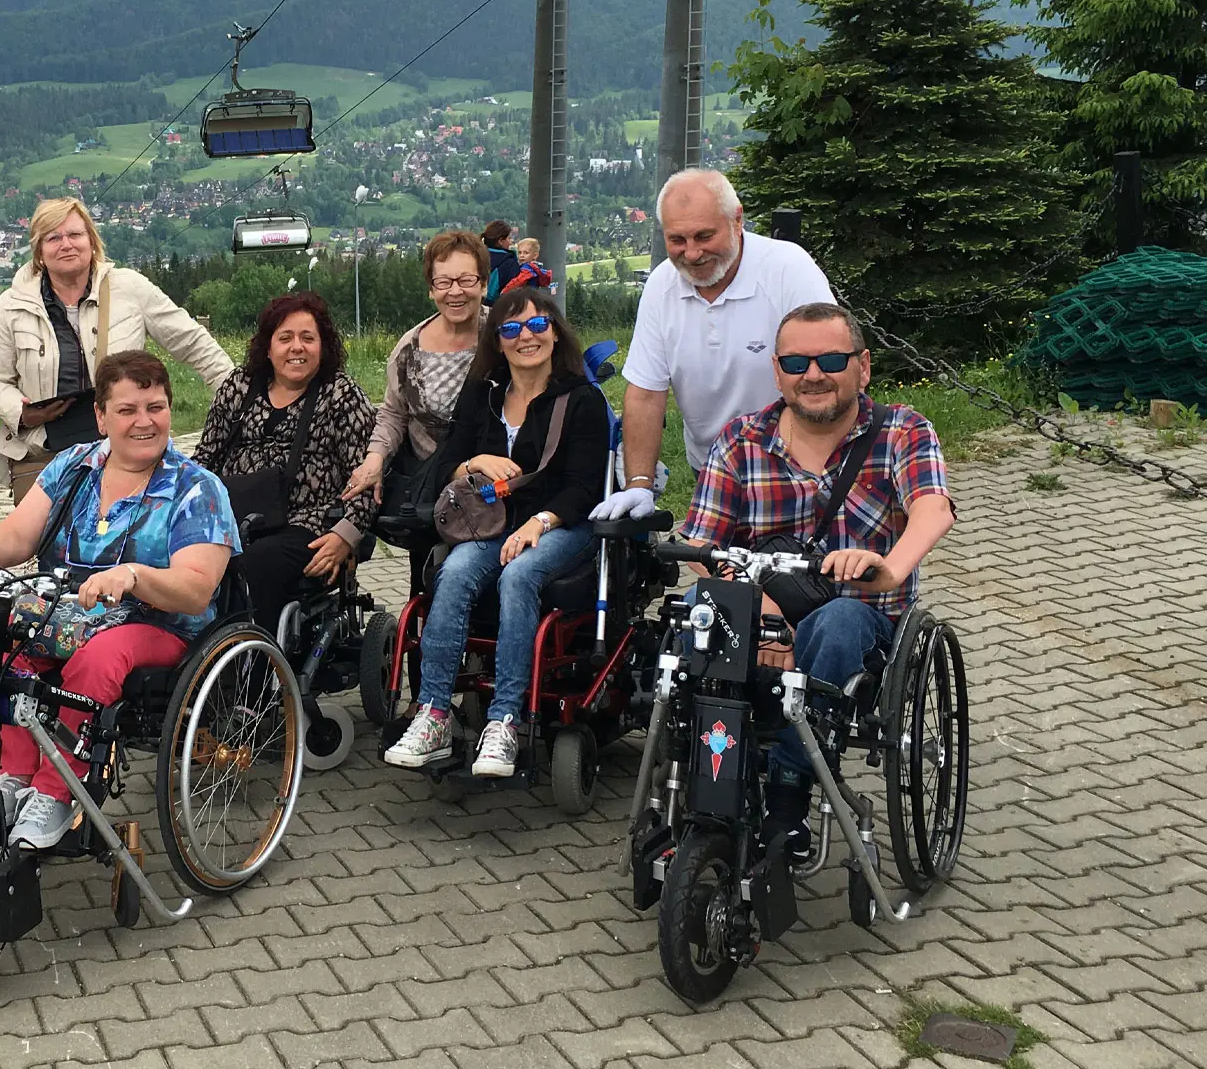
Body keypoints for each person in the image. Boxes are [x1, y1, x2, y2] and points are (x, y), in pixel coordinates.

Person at [0, 351, 240, 849]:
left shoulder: (197, 489)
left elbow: (195, 590)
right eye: (128, 410)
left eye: (155, 407)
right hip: (68, 615)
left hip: (159, 624)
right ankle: (13, 778)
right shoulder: (75, 465)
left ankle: (56, 791)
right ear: (101, 416)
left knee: (98, 659)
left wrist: (134, 576)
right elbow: (18, 537)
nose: (144, 422)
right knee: (0, 643)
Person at [681, 302, 955, 861]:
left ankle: (788, 790)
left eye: (831, 358)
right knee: (693, 611)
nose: (813, 375)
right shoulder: (741, 440)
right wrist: (764, 616)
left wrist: (888, 568)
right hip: (761, 610)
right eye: (796, 361)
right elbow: (700, 545)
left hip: (863, 621)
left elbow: (933, 508)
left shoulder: (902, 431)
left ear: (863, 366)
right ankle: (702, 777)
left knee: (838, 621)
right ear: (778, 371)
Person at [382, 289, 610, 778]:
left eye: (536, 325)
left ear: (555, 329)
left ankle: (504, 719)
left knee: (519, 575)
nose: (525, 336)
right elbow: (447, 464)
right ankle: (434, 713)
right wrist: (474, 462)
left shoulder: (581, 398)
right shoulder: (483, 394)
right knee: (454, 570)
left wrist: (539, 523)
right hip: (491, 524)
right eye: (510, 329)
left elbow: (583, 488)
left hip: (563, 524)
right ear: (497, 341)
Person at [594, 168, 835, 522]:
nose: (691, 254)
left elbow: (831, 372)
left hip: (799, 467)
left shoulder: (789, 269)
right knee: (724, 571)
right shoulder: (661, 286)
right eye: (677, 240)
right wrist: (639, 484)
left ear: (737, 220)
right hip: (712, 468)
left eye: (704, 236)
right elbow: (646, 393)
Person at [0, 197, 235, 502]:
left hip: (126, 450)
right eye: (54, 237)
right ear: (40, 251)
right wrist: (22, 413)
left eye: (75, 235)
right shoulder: (13, 304)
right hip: (44, 456)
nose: (66, 245)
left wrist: (236, 396)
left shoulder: (129, 288)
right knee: (55, 547)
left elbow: (193, 342)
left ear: (91, 240)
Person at [193, 293, 377, 634]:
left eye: (308, 338)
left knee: (255, 564)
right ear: (267, 347)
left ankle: (255, 672)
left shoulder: (341, 395)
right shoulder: (239, 387)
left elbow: (366, 478)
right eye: (285, 338)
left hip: (310, 523)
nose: (297, 347)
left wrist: (347, 535)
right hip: (236, 517)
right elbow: (204, 460)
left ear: (323, 346)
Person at [341, 230, 488, 592]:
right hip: (431, 487)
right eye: (444, 281)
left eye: (466, 280)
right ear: (431, 289)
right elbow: (393, 414)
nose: (456, 291)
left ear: (483, 284)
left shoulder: (505, 337)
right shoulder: (411, 347)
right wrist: (374, 460)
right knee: (425, 586)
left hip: (494, 487)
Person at [481, 219, 522, 303]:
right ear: (500, 241)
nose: (510, 242)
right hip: (499, 309)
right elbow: (514, 294)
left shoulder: (477, 257)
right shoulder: (508, 263)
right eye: (508, 238)